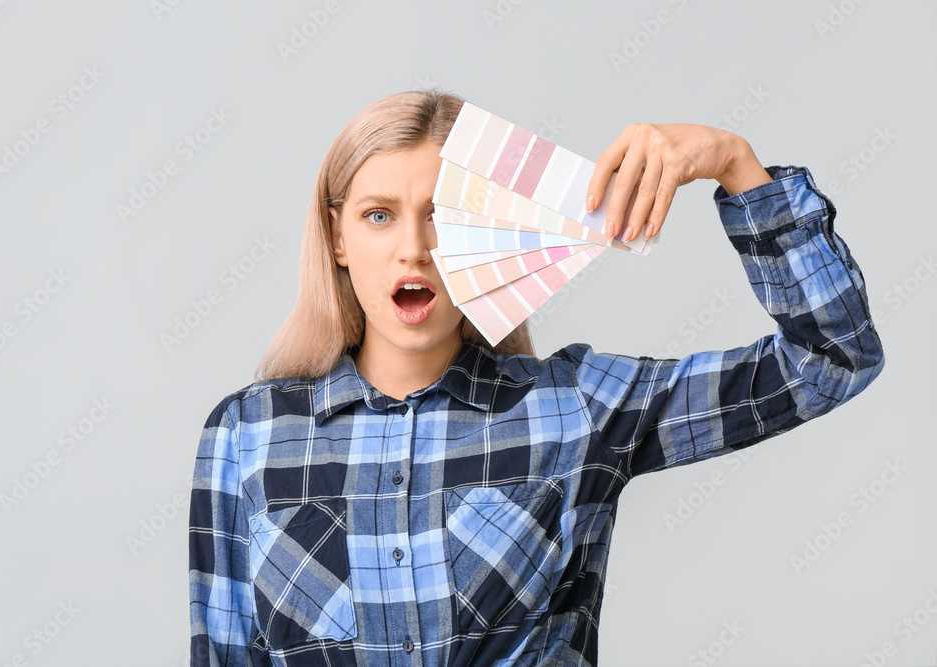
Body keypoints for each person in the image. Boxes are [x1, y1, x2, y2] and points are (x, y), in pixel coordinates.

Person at [188, 88, 885, 666]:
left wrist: (734, 162)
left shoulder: (577, 405)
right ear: (338, 237)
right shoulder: (248, 436)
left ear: (491, 227)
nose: (413, 249)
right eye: (379, 216)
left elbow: (831, 358)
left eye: (443, 216)